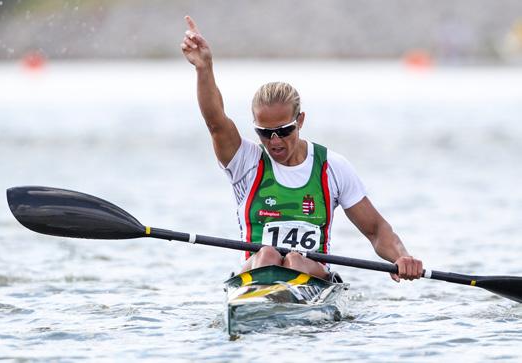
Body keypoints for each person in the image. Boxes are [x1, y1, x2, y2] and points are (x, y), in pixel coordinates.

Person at [181, 15, 423, 282]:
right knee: (267, 255)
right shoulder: (245, 162)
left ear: (300, 121)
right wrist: (204, 68)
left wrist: (401, 256)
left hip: (311, 276)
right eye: (265, 133)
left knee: (296, 259)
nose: (274, 141)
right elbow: (216, 122)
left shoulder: (332, 167)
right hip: (259, 271)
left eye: (284, 131)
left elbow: (376, 230)